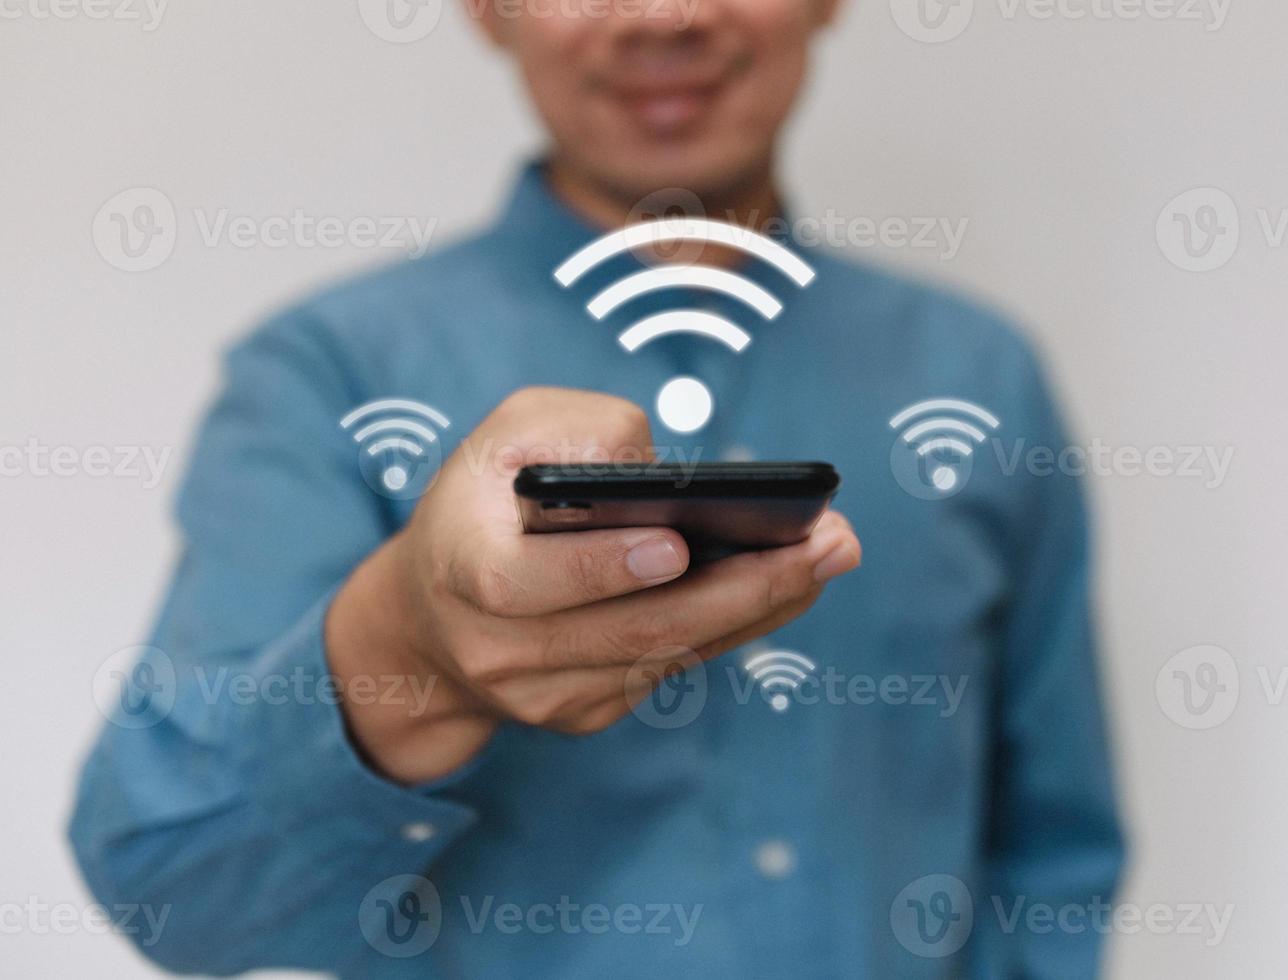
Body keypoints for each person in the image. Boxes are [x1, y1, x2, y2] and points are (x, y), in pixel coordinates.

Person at [70, 0, 1125, 975]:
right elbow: (171, 882)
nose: (663, 16)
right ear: (488, 9)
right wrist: (405, 646)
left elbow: (1056, 852)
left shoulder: (978, 374)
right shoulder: (326, 372)